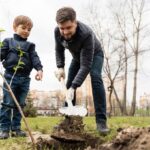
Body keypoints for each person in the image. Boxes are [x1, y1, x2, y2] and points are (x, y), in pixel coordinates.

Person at [55, 7, 109, 134]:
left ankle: (101, 122)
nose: (65, 32)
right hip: (77, 56)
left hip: (95, 55)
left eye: (69, 28)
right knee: (68, 85)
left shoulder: (86, 34)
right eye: (62, 28)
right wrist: (60, 67)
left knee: (95, 78)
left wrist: (75, 87)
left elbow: (86, 66)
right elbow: (59, 50)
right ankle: (68, 122)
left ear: (75, 22)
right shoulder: (57, 32)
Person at [0, 15, 43, 139]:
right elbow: (1, 54)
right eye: (23, 28)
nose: (26, 31)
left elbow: (34, 58)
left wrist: (39, 69)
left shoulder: (30, 46)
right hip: (10, 77)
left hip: (25, 79)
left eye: (29, 29)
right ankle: (4, 129)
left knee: (20, 104)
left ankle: (16, 128)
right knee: (8, 103)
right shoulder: (8, 42)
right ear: (14, 27)